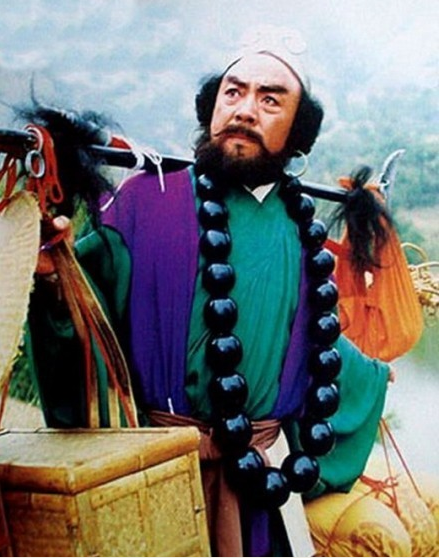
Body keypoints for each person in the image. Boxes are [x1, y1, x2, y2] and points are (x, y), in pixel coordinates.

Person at [26, 28, 393, 557]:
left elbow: (310, 337)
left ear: (298, 132)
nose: (245, 110)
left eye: (270, 100)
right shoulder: (144, 201)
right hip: (154, 476)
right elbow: (83, 309)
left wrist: (371, 374)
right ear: (211, 107)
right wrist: (52, 275)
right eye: (233, 92)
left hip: (260, 487)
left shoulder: (301, 231)